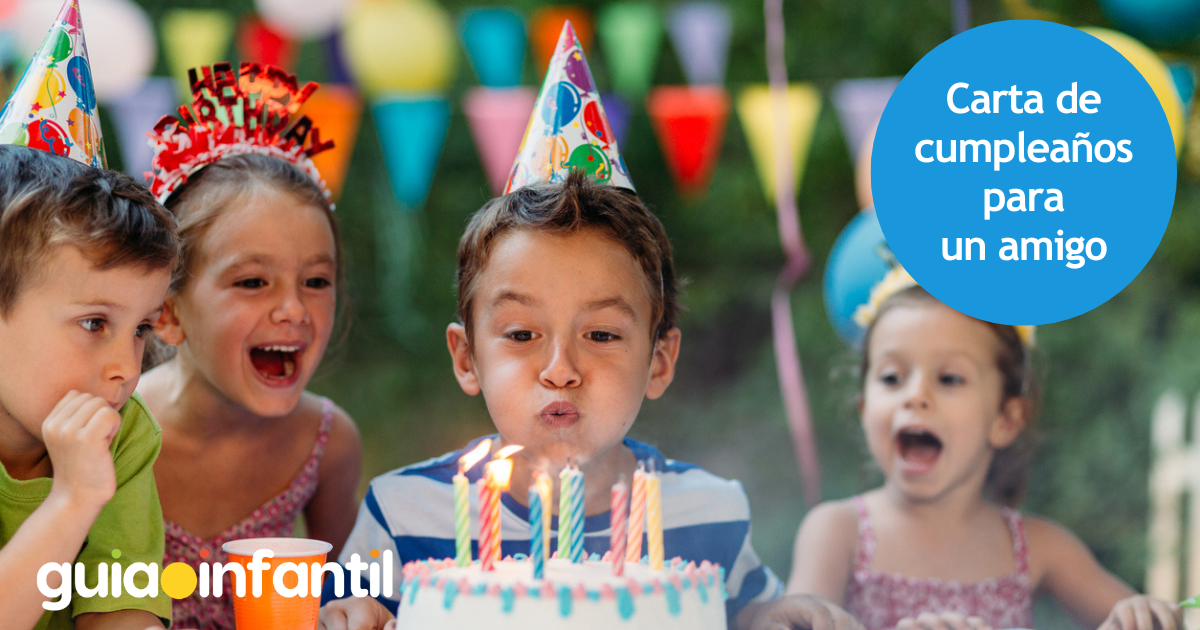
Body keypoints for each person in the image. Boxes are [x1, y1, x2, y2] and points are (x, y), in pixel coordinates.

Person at [787, 267, 1182, 630]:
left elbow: (1161, 622)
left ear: (1005, 419)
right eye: (892, 377)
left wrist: (1139, 615)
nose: (915, 395)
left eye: (949, 378)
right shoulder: (837, 532)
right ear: (863, 406)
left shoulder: (1041, 547)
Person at [137, 62, 362, 630]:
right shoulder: (114, 435)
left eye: (315, 281)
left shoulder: (327, 444)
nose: (293, 309)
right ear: (167, 312)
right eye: (252, 282)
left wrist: (351, 612)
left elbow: (353, 594)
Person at [0, 144, 179, 630]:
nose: (126, 368)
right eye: (95, 323)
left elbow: (123, 614)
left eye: (141, 328)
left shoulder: (123, 434)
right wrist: (72, 500)